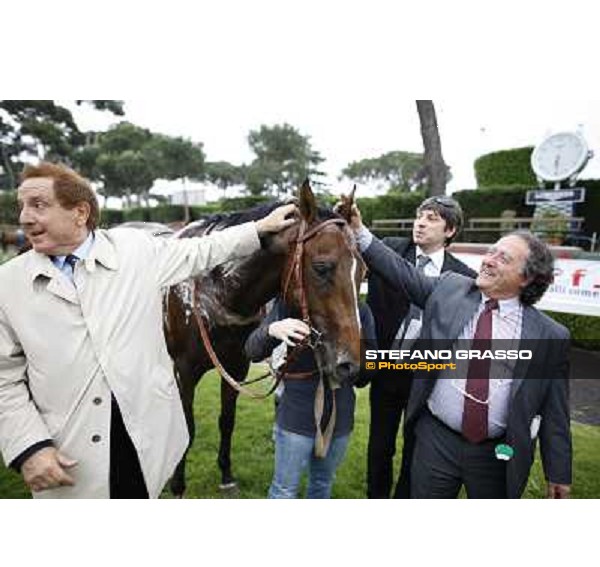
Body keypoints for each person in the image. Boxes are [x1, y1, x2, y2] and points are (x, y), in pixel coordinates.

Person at [0, 162, 297, 499]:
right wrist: (28, 446)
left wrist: (259, 228)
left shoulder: (134, 251)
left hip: (145, 443)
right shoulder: (7, 286)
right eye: (21, 206)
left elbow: (202, 250)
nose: (24, 217)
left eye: (38, 205)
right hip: (67, 457)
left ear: (80, 212)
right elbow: (3, 378)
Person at [349, 206, 571, 499]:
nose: (488, 261)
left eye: (503, 258)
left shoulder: (550, 337)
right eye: (490, 252)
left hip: (498, 455)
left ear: (527, 277)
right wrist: (359, 232)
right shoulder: (450, 289)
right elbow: (401, 273)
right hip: (436, 441)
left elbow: (556, 413)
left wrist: (558, 472)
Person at [366, 195, 476, 499]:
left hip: (426, 380)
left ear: (450, 230)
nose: (420, 223)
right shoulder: (387, 249)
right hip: (385, 370)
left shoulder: (463, 277)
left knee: (415, 454)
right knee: (379, 448)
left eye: (431, 218)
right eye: (419, 216)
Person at [245, 298, 376, 499]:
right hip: (296, 419)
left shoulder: (360, 310)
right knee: (284, 490)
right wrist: (272, 329)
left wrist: (357, 353)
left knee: (322, 484)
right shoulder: (290, 306)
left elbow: (366, 376)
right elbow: (252, 350)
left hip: (338, 419)